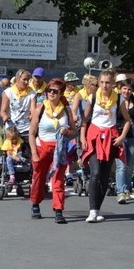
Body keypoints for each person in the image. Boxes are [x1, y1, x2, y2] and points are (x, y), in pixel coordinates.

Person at [80, 69, 131, 223]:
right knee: (95, 173)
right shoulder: (93, 97)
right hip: (94, 137)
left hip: (110, 137)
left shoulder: (119, 98)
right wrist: (83, 138)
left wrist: (122, 137)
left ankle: (97, 209)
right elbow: (84, 120)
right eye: (101, 82)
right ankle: (92, 211)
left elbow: (127, 120)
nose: (104, 85)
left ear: (113, 84)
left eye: (107, 82)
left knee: (104, 175)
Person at [28, 78, 77, 223]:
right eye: (49, 90)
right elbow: (31, 133)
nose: (51, 93)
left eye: (55, 91)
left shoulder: (66, 110)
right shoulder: (40, 108)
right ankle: (35, 203)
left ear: (61, 93)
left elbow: (74, 131)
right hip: (42, 147)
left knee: (58, 180)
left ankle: (58, 210)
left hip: (59, 149)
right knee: (39, 177)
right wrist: (34, 154)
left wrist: (67, 131)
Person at [115, 78, 134, 204]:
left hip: (132, 137)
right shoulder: (115, 101)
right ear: (120, 89)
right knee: (120, 166)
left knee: (129, 166)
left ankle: (126, 187)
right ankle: (120, 192)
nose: (126, 91)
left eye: (129, 89)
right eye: (124, 89)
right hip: (119, 137)